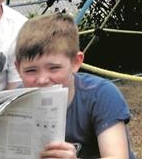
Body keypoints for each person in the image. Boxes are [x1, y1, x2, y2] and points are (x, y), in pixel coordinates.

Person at [16, 13, 135, 159]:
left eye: (54, 68)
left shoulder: (101, 94)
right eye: (31, 70)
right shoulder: (15, 101)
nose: (42, 80)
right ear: (18, 69)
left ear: (76, 62)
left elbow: (117, 156)